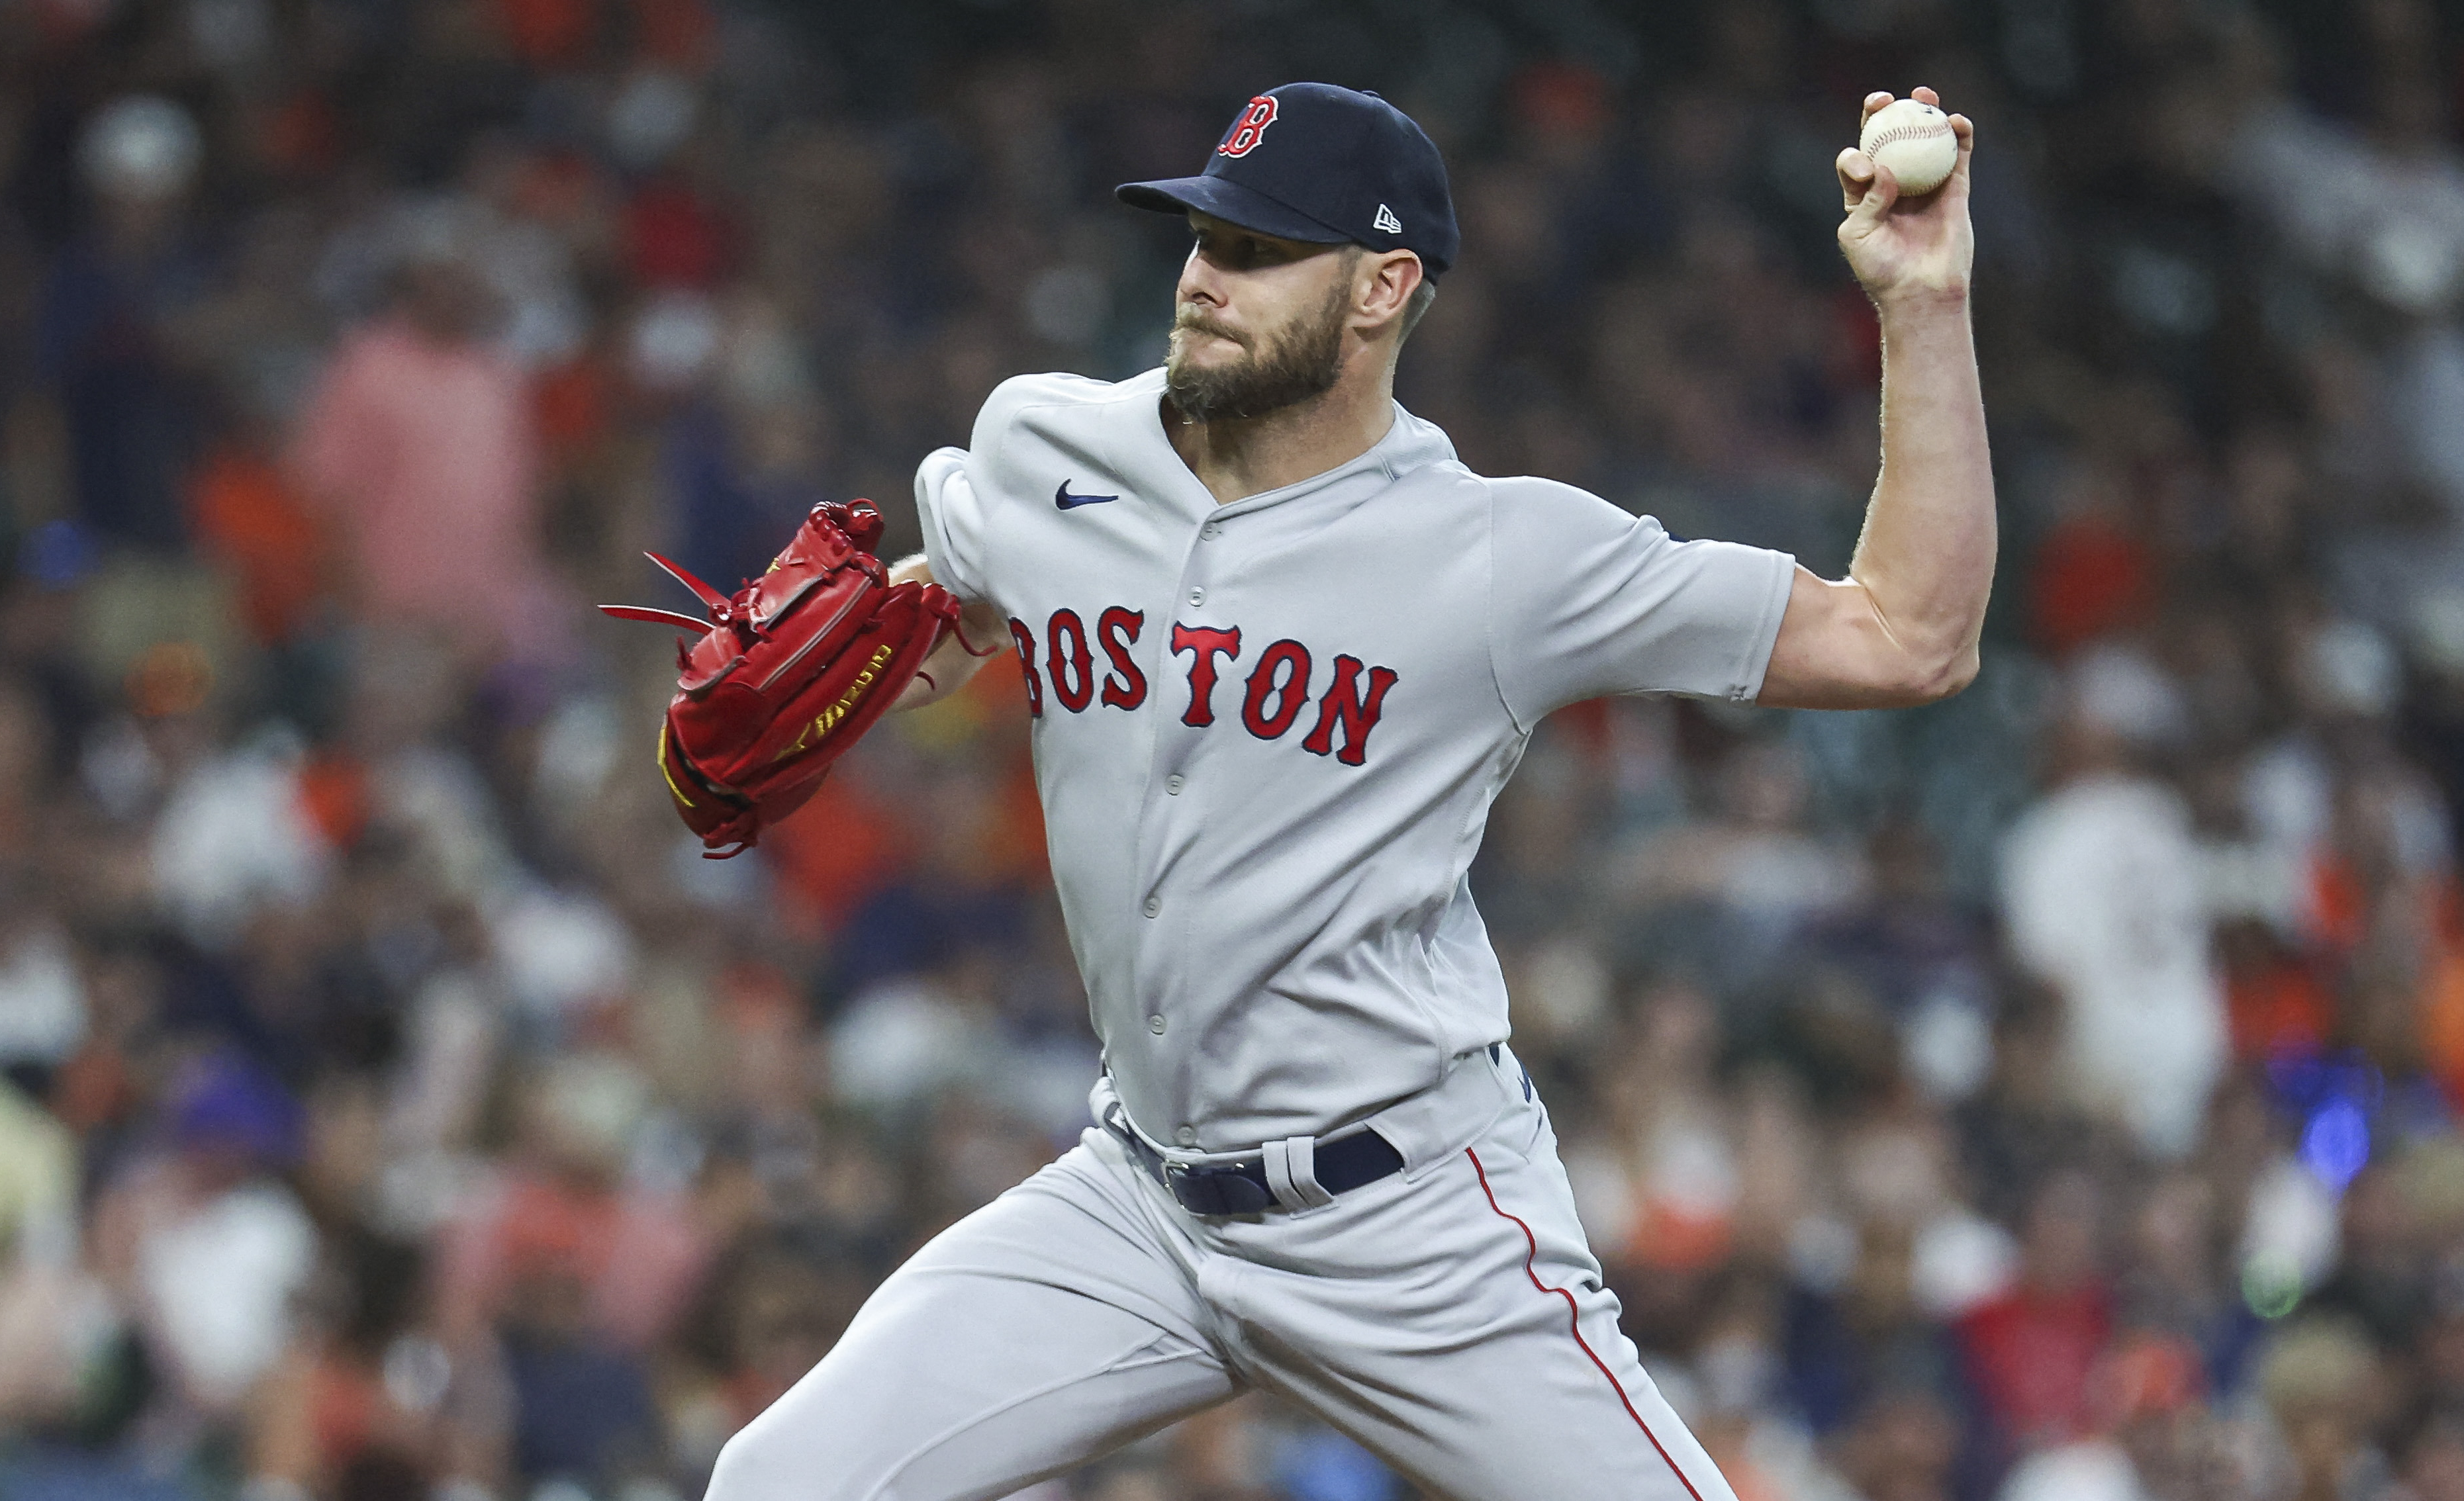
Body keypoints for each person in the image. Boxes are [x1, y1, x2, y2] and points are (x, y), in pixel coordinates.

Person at [706, 81, 1991, 1500]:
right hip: (1137, 1197)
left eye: (1260, 251)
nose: (1204, 276)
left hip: (1415, 1223)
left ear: (1383, 288)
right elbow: (953, 605)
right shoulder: (1046, 446)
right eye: (1202, 236)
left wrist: (1922, 307)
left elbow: (1907, 636)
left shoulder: (1502, 560)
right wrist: (874, 649)